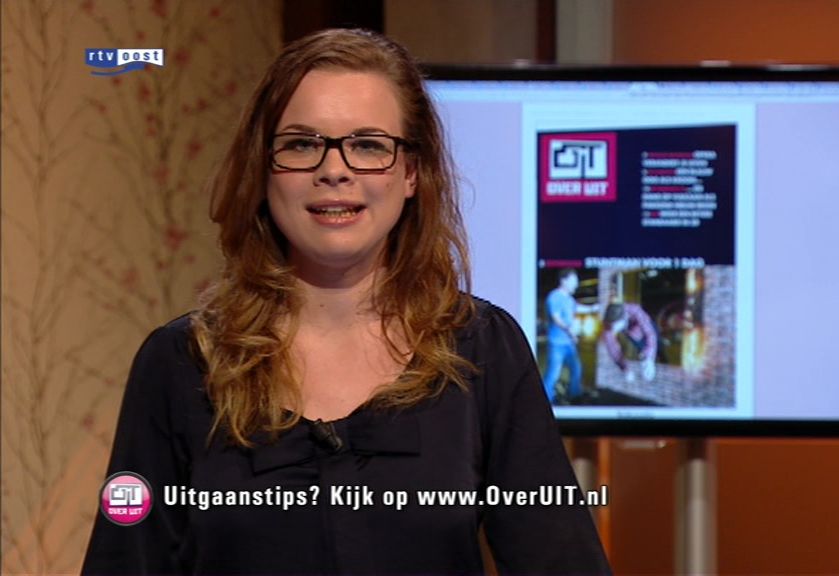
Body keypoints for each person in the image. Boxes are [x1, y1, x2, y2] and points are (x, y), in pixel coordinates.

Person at [82, 29, 610, 575]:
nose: (334, 170)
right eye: (301, 144)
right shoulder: (180, 363)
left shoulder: (483, 349)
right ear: (264, 170)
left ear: (411, 173)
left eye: (368, 145)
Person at [542, 269, 585, 403]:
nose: (576, 284)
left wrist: (596, 307)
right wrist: (569, 330)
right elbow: (556, 318)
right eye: (574, 281)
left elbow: (578, 310)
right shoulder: (554, 296)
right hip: (557, 343)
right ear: (563, 281)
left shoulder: (570, 300)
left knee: (576, 369)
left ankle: (575, 396)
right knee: (553, 373)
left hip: (569, 343)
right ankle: (546, 401)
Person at [601, 302, 658, 382]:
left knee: (656, 348)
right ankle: (645, 359)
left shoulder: (635, 310)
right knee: (640, 348)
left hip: (648, 327)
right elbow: (612, 348)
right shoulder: (607, 324)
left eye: (615, 325)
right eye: (611, 325)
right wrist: (625, 369)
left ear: (623, 317)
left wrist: (649, 358)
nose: (613, 328)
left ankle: (655, 358)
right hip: (633, 334)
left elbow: (650, 334)